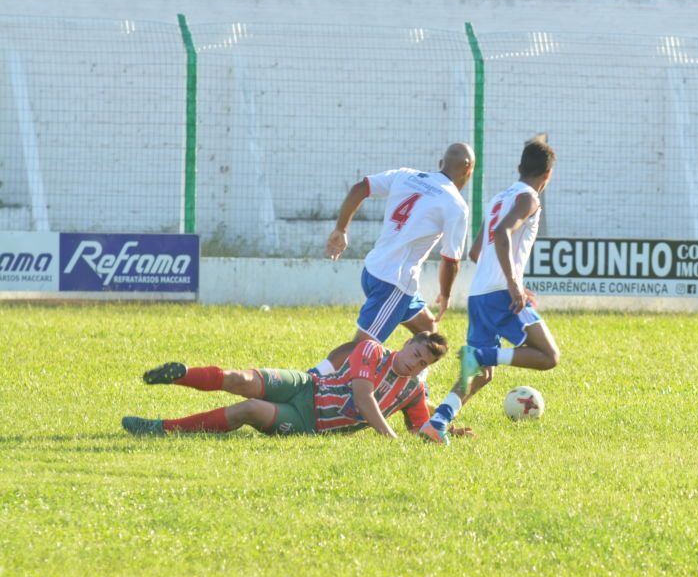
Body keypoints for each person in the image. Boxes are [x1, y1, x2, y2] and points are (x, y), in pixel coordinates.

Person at [419, 138, 560, 445]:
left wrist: (512, 280)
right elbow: (502, 233)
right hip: (500, 294)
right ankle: (481, 353)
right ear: (547, 176)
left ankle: (437, 421)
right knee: (548, 356)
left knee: (481, 373)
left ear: (519, 167)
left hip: (479, 294)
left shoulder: (499, 198)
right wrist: (512, 284)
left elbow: (476, 252)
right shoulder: (529, 199)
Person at [121, 332, 473, 439]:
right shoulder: (372, 350)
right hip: (307, 385)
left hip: (310, 421)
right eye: (415, 353)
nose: (415, 363)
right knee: (240, 379)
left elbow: (419, 428)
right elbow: (364, 398)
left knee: (249, 410)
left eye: (423, 363)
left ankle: (162, 429)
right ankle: (180, 373)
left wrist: (447, 430)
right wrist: (389, 438)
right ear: (408, 343)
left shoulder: (412, 391)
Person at [315, 142, 474, 375]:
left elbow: (361, 187)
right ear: (468, 170)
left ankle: (418, 394)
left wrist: (341, 228)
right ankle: (312, 379)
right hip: (395, 283)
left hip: (373, 271)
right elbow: (451, 259)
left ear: (440, 164)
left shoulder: (406, 176)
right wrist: (446, 294)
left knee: (428, 331)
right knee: (363, 347)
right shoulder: (456, 205)